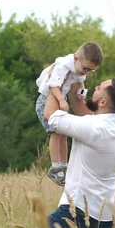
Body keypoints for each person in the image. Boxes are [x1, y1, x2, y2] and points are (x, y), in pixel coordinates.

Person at [33, 78, 115, 228]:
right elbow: (86, 117)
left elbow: (50, 116)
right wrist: (75, 90)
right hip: (104, 215)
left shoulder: (93, 128)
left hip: (76, 210)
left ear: (103, 102)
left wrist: (57, 83)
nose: (94, 88)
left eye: (98, 89)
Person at [35, 41, 103, 186]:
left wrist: (81, 94)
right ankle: (55, 166)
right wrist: (61, 99)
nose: (87, 72)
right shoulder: (63, 65)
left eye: (91, 70)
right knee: (55, 132)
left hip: (61, 100)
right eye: (86, 68)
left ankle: (64, 165)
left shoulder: (79, 70)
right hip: (46, 100)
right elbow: (52, 84)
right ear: (76, 58)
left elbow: (81, 82)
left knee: (63, 133)